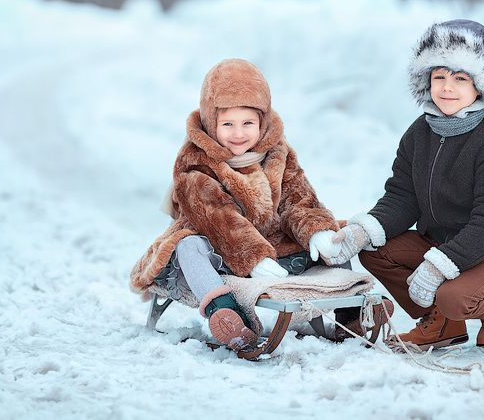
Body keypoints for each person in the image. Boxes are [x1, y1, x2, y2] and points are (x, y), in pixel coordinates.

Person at [318, 20, 484, 351]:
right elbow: (402, 196)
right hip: (444, 240)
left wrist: (436, 267)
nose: (447, 87)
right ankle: (442, 324)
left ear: (482, 84)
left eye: (460, 78)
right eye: (439, 77)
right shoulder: (420, 133)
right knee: (374, 250)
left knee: (453, 297)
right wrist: (363, 230)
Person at [130, 58, 342, 350]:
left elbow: (297, 195)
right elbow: (218, 215)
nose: (238, 133)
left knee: (336, 236)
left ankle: (351, 313)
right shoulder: (195, 159)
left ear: (262, 122)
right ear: (210, 122)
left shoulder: (277, 152)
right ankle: (226, 311)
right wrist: (253, 257)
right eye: (227, 124)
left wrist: (315, 228)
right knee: (187, 248)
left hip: (270, 242)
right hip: (216, 240)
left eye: (247, 123)